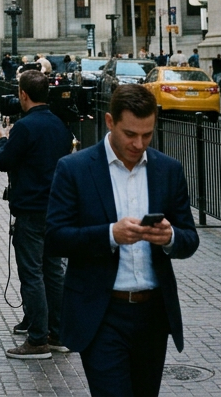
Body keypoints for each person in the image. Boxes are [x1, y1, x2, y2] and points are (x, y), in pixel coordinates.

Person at [46, 84, 200, 397]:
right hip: (102, 314)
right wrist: (109, 235)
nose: (138, 143)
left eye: (147, 134)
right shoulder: (74, 169)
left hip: (153, 316)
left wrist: (170, 237)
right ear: (109, 122)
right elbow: (55, 238)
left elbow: (190, 239)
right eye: (130, 134)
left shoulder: (168, 170)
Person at [0, 69, 73, 360]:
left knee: (32, 273)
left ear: (23, 95)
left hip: (31, 209)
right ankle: (58, 333)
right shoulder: (58, 124)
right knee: (54, 271)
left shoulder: (24, 127)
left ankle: (37, 340)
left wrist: (3, 138)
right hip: (56, 209)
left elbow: (3, 162)